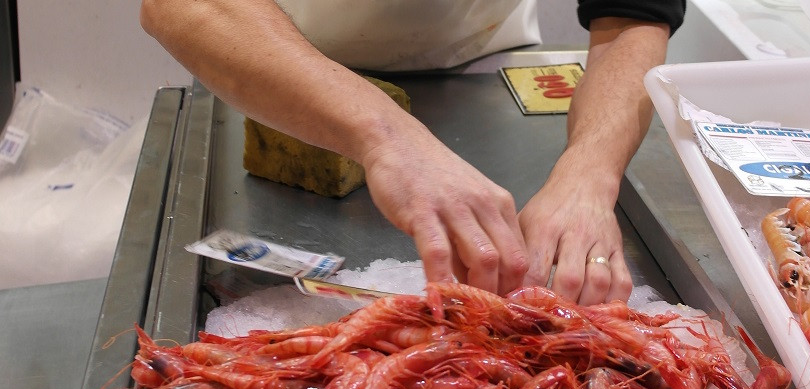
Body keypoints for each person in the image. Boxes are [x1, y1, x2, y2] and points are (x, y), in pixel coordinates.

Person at [139, 0, 685, 305]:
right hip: (273, 61)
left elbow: (634, 12)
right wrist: (385, 134)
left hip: (480, 63)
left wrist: (589, 176)